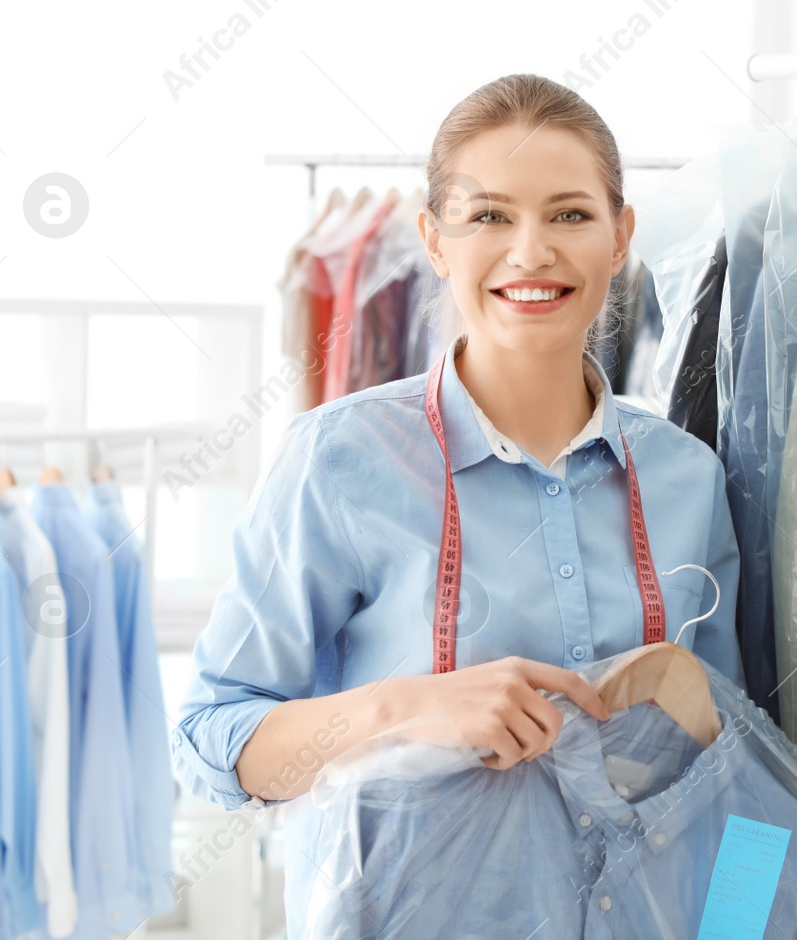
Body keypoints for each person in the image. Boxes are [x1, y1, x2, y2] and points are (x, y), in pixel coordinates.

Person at [171, 73, 745, 922]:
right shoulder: (341, 460)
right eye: (489, 216)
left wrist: (745, 923)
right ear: (434, 242)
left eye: (570, 214)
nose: (531, 251)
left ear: (620, 237)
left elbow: (737, 772)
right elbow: (208, 744)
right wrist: (405, 707)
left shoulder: (689, 477)